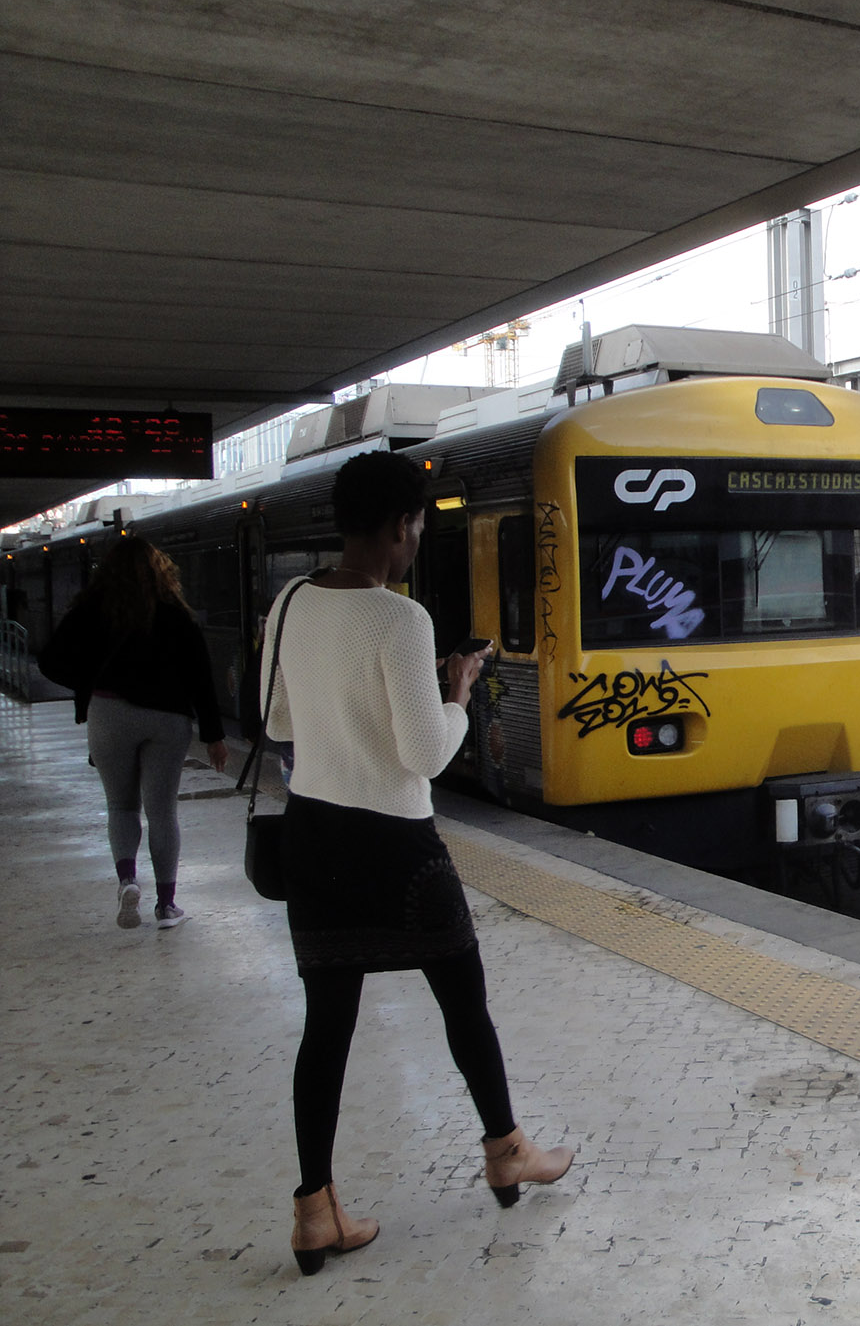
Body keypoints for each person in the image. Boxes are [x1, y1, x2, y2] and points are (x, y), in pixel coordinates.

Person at [261, 450, 572, 1277]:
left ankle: (313, 1210)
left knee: (325, 1026)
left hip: (315, 838)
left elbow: (282, 718)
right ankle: (507, 1152)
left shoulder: (288, 603)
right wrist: (458, 691)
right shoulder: (400, 619)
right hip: (397, 847)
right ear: (402, 525)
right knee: (463, 1003)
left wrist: (352, 707)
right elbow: (425, 754)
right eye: (418, 526)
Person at [36, 535, 228, 930]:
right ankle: (167, 906)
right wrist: (214, 735)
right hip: (167, 719)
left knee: (121, 806)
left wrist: (89, 681)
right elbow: (200, 676)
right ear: (160, 571)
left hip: (109, 714)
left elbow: (51, 660)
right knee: (162, 812)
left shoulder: (93, 609)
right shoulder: (175, 612)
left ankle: (127, 880)